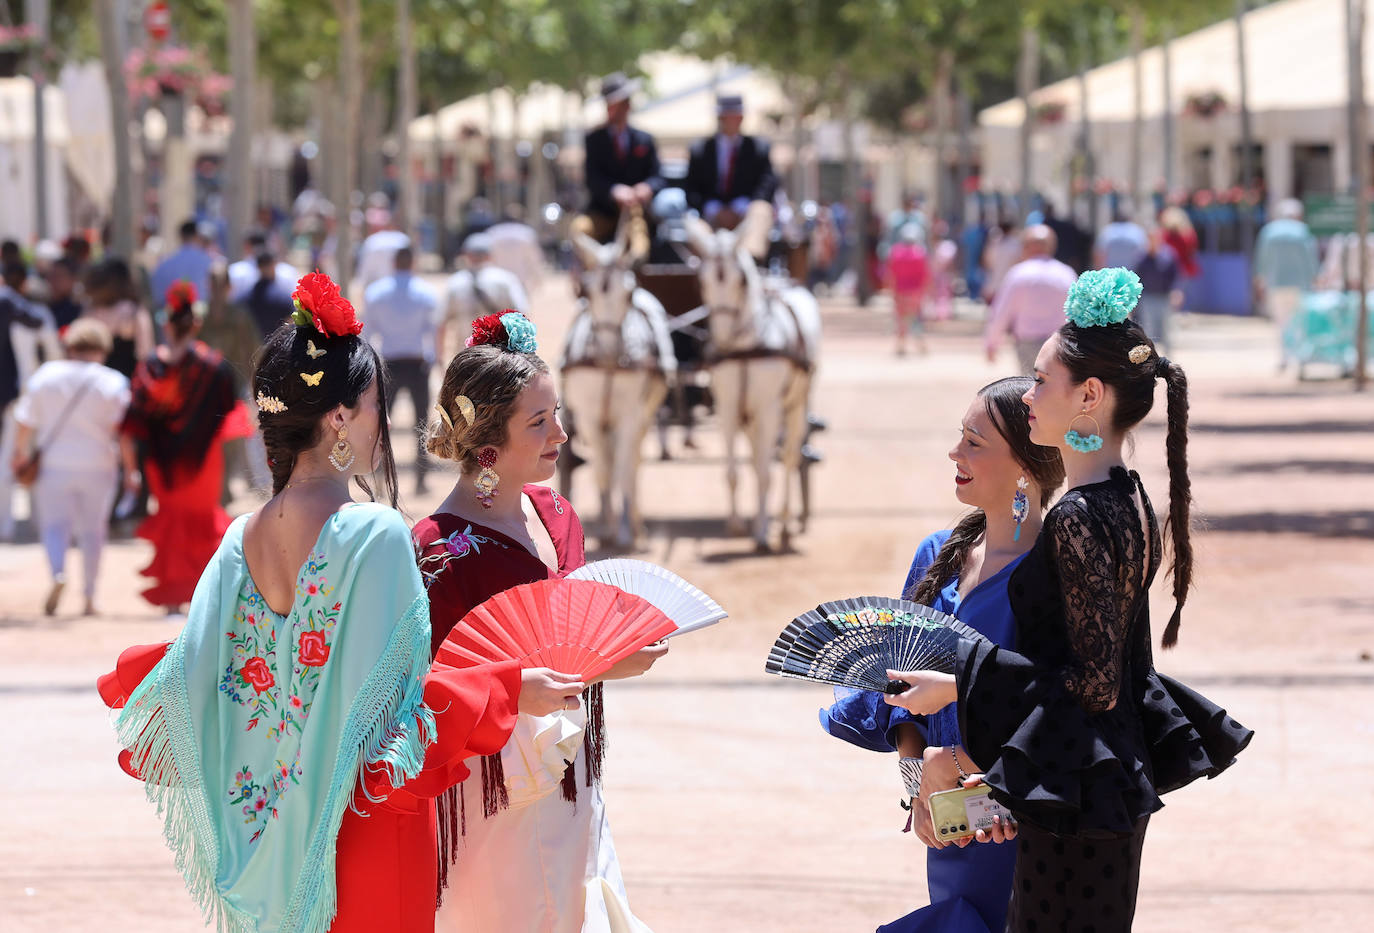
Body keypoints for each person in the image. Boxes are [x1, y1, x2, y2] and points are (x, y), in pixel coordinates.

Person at [97, 276, 585, 932]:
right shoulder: (372, 533)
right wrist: (508, 687)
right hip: (366, 834)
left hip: (274, 844)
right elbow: (399, 707)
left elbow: (208, 679)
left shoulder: (240, 540)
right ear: (337, 421)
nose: (385, 422)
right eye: (373, 404)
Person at [886, 268, 1253, 933]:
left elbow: (1088, 686)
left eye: (1039, 380)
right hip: (1095, 795)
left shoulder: (1079, 518)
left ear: (1088, 395)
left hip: (1077, 808)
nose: (1028, 394)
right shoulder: (1129, 497)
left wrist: (958, 722)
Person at [416, 312, 666, 932]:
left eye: (555, 414)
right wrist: (509, 690)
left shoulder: (557, 516)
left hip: (573, 775)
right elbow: (415, 695)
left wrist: (613, 658)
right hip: (490, 793)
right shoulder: (436, 552)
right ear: (487, 445)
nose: (560, 432)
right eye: (539, 421)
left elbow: (573, 645)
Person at [822, 377, 1064, 933]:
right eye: (960, 437)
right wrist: (917, 784)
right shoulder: (938, 555)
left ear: (1026, 467)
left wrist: (958, 770)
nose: (955, 453)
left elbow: (1058, 699)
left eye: (975, 443)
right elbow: (899, 694)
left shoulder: (1057, 573)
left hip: (1030, 816)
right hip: (953, 823)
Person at [119, 281, 253, 612]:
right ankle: (205, 593)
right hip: (203, 459)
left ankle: (173, 600)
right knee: (201, 519)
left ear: (166, 324)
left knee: (172, 520)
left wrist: (132, 468)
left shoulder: (150, 367)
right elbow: (230, 417)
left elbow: (132, 422)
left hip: (161, 464)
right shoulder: (213, 366)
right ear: (196, 324)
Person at [10, 319, 131, 615]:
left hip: (54, 466)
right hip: (99, 464)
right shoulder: (113, 381)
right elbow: (124, 431)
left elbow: (24, 422)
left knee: (54, 526)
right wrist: (131, 470)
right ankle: (90, 597)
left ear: (70, 346)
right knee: (93, 531)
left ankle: (57, 573)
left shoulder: (46, 376)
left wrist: (19, 454)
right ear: (102, 348)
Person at [363, 246, 441, 495]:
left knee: (382, 423)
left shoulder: (376, 292)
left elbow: (367, 332)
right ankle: (420, 478)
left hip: (388, 364)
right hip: (418, 363)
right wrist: (437, 360)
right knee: (421, 422)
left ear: (393, 262)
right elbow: (433, 330)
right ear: (413, 262)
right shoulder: (426, 293)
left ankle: (379, 475)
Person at [578, 72, 664, 244]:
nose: (621, 108)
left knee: (638, 240)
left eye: (624, 103)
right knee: (579, 231)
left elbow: (658, 177)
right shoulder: (595, 140)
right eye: (616, 104)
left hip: (636, 212)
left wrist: (646, 188)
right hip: (603, 212)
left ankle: (634, 264)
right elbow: (592, 178)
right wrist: (614, 191)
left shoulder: (644, 139)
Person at [683, 93, 779, 247]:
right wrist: (714, 209)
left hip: (746, 213)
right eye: (728, 115)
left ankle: (750, 257)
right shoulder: (700, 149)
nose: (733, 120)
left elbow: (767, 183)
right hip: (710, 216)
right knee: (696, 229)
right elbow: (691, 188)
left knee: (761, 211)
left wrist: (740, 206)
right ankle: (714, 257)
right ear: (720, 118)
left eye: (736, 115)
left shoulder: (758, 148)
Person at [984, 225, 1078, 374]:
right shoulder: (1066, 274)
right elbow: (1077, 312)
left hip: (1027, 344)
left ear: (1027, 247)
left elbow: (1002, 311)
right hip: (1061, 343)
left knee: (1030, 389)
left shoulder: (1018, 273)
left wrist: (992, 343)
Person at [439, 233, 530, 361]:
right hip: (499, 358)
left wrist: (440, 359)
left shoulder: (455, 283)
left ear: (467, 256)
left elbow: (441, 323)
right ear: (490, 256)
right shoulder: (506, 280)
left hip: (465, 358)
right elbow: (522, 315)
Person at [1253, 198, 1319, 365]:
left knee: (1281, 322)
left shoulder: (1269, 232)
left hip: (1276, 284)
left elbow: (1261, 260)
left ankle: (1284, 356)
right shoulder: (1302, 231)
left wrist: (1260, 281)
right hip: (1300, 284)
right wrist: (1316, 277)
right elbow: (1311, 259)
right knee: (1300, 321)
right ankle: (1300, 356)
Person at [81, 258, 155, 379]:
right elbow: (145, 352)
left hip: (94, 383)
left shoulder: (89, 310)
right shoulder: (134, 311)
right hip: (126, 382)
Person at [1131, 227, 1182, 351]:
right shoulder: (1141, 258)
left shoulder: (1168, 255)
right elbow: (1136, 279)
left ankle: (1168, 360)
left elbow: (1176, 276)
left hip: (1164, 297)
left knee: (1167, 330)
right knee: (1149, 331)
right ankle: (1151, 362)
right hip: (1148, 298)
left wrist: (1176, 291)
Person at [886, 224, 931, 356]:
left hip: (900, 291)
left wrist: (891, 290)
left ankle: (901, 345)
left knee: (901, 318)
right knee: (916, 318)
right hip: (915, 292)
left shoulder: (896, 252)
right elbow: (925, 275)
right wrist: (926, 290)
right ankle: (920, 344)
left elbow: (891, 274)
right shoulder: (920, 253)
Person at [150, 218, 214, 302]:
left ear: (181, 236)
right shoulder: (209, 262)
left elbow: (158, 296)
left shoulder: (165, 264)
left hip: (173, 312)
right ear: (197, 236)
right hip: (201, 312)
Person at [227, 230, 299, 303]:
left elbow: (230, 300)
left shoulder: (235, 271)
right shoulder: (287, 271)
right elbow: (294, 301)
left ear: (246, 246)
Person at [243, 250, 298, 340]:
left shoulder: (249, 295)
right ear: (273, 264)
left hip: (255, 348)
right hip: (278, 346)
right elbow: (292, 318)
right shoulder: (281, 293)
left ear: (258, 267)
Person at [355, 212, 411, 292]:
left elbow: (363, 273)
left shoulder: (371, 241)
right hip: (400, 289)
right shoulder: (403, 239)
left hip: (375, 291)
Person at [1093, 204, 1149, 271]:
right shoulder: (1136, 230)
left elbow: (1098, 254)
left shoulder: (1107, 231)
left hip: (1111, 275)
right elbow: (1144, 252)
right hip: (1131, 275)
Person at [1159, 206, 1200, 281]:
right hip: (1169, 270)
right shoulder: (1165, 235)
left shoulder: (1187, 235)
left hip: (1183, 270)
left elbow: (1191, 252)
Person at [43, 257, 85, 329]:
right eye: (51, 275)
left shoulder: (80, 311)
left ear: (73, 279)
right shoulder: (43, 307)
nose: (53, 280)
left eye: (59, 276)